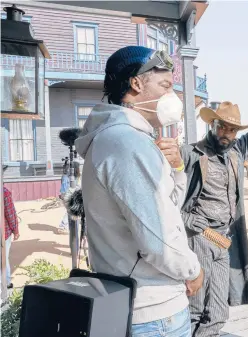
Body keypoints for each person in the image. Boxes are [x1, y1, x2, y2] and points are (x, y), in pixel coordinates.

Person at [75, 46, 203, 337]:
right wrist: (192, 269)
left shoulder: (126, 139)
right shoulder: (125, 143)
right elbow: (157, 239)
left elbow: (167, 208)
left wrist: (177, 171)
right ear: (136, 83)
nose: (173, 96)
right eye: (165, 86)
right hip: (152, 311)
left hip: (137, 299)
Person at [179, 100, 248, 336]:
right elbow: (161, 193)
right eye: (221, 127)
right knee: (195, 309)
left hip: (223, 240)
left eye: (231, 129)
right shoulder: (192, 153)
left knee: (218, 312)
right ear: (212, 125)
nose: (226, 133)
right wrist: (185, 218)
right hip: (199, 237)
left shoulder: (236, 151)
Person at [3, 165, 20, 289]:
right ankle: (6, 282)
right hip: (3, 232)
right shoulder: (4, 192)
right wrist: (16, 230)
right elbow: (10, 214)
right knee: (3, 258)